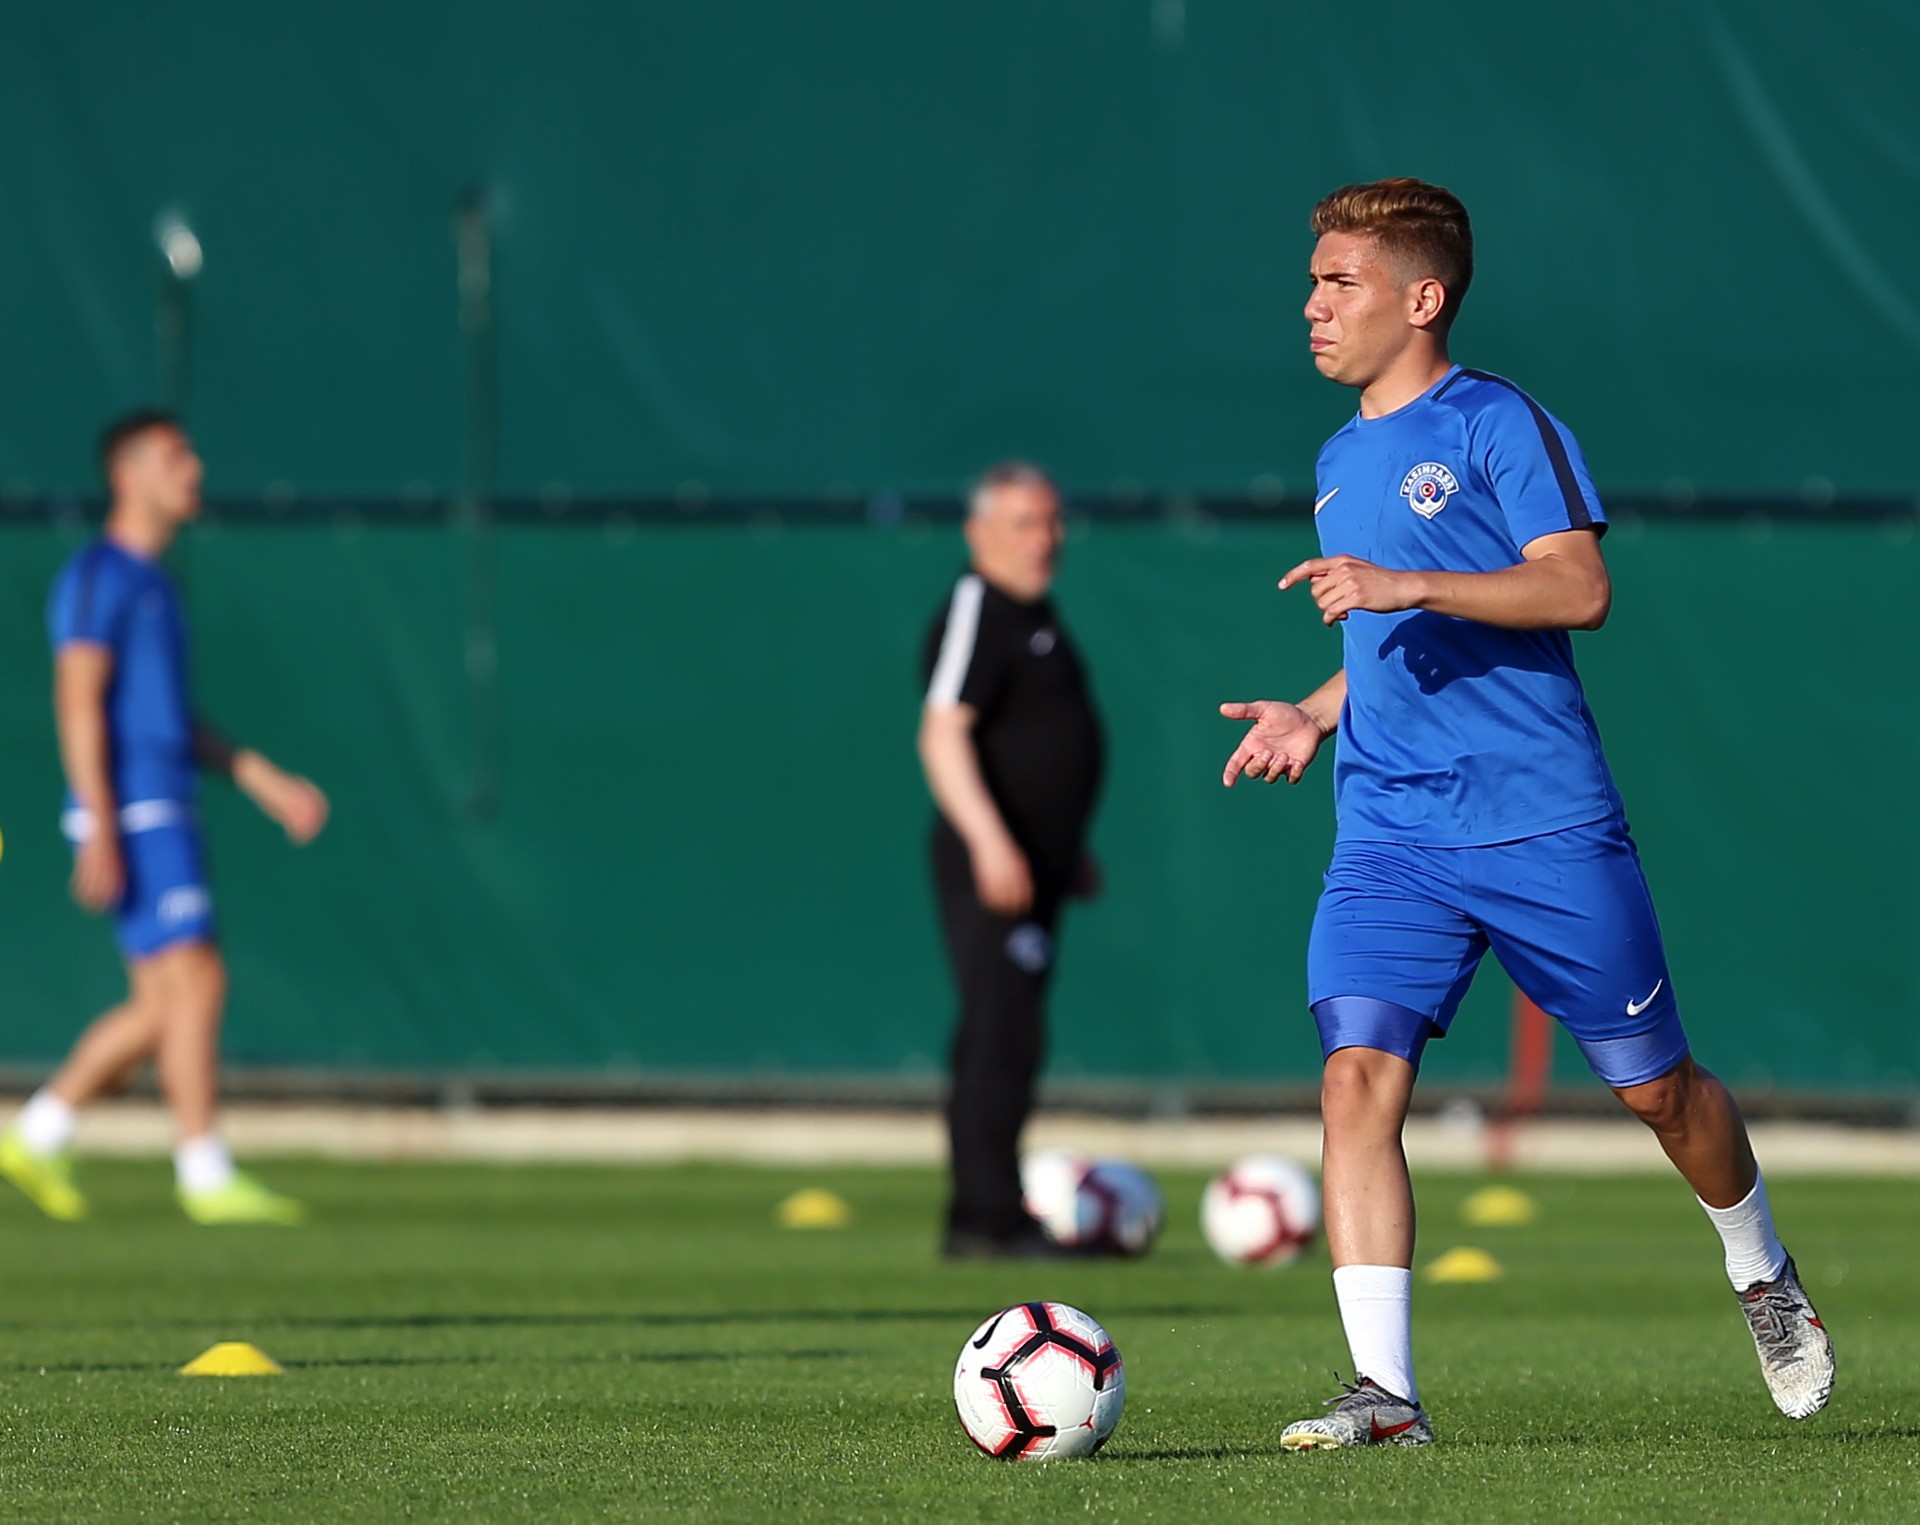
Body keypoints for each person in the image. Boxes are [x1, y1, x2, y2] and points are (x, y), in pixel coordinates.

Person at [1218, 179, 1833, 1447]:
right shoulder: (1339, 457)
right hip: (1391, 830)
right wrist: (1317, 711)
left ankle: (1761, 1268)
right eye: (1314, 281)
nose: (1312, 305)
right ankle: (1387, 1396)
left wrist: (1405, 581)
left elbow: (1577, 586)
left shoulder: (1498, 422)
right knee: (1354, 1079)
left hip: (1539, 822)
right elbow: (1385, 639)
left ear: (1421, 299)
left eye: (1339, 282)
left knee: (1661, 1094)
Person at [0, 411, 328, 1226]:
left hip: (162, 801)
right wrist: (100, 819)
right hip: (136, 808)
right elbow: (77, 699)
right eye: (177, 456)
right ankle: (203, 1168)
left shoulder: (158, 583)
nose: (195, 469)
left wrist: (262, 778)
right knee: (197, 980)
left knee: (161, 1006)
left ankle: (38, 1131)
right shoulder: (99, 575)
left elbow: (174, 719)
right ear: (129, 474)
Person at [919, 463, 1104, 1258]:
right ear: (979, 532)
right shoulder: (980, 606)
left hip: (1039, 867)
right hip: (993, 865)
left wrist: (1067, 847)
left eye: (1052, 522)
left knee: (1017, 1034)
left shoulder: (1036, 614)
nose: (1044, 540)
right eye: (1025, 523)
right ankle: (985, 1216)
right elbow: (942, 731)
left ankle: (994, 1210)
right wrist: (991, 840)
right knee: (997, 1033)